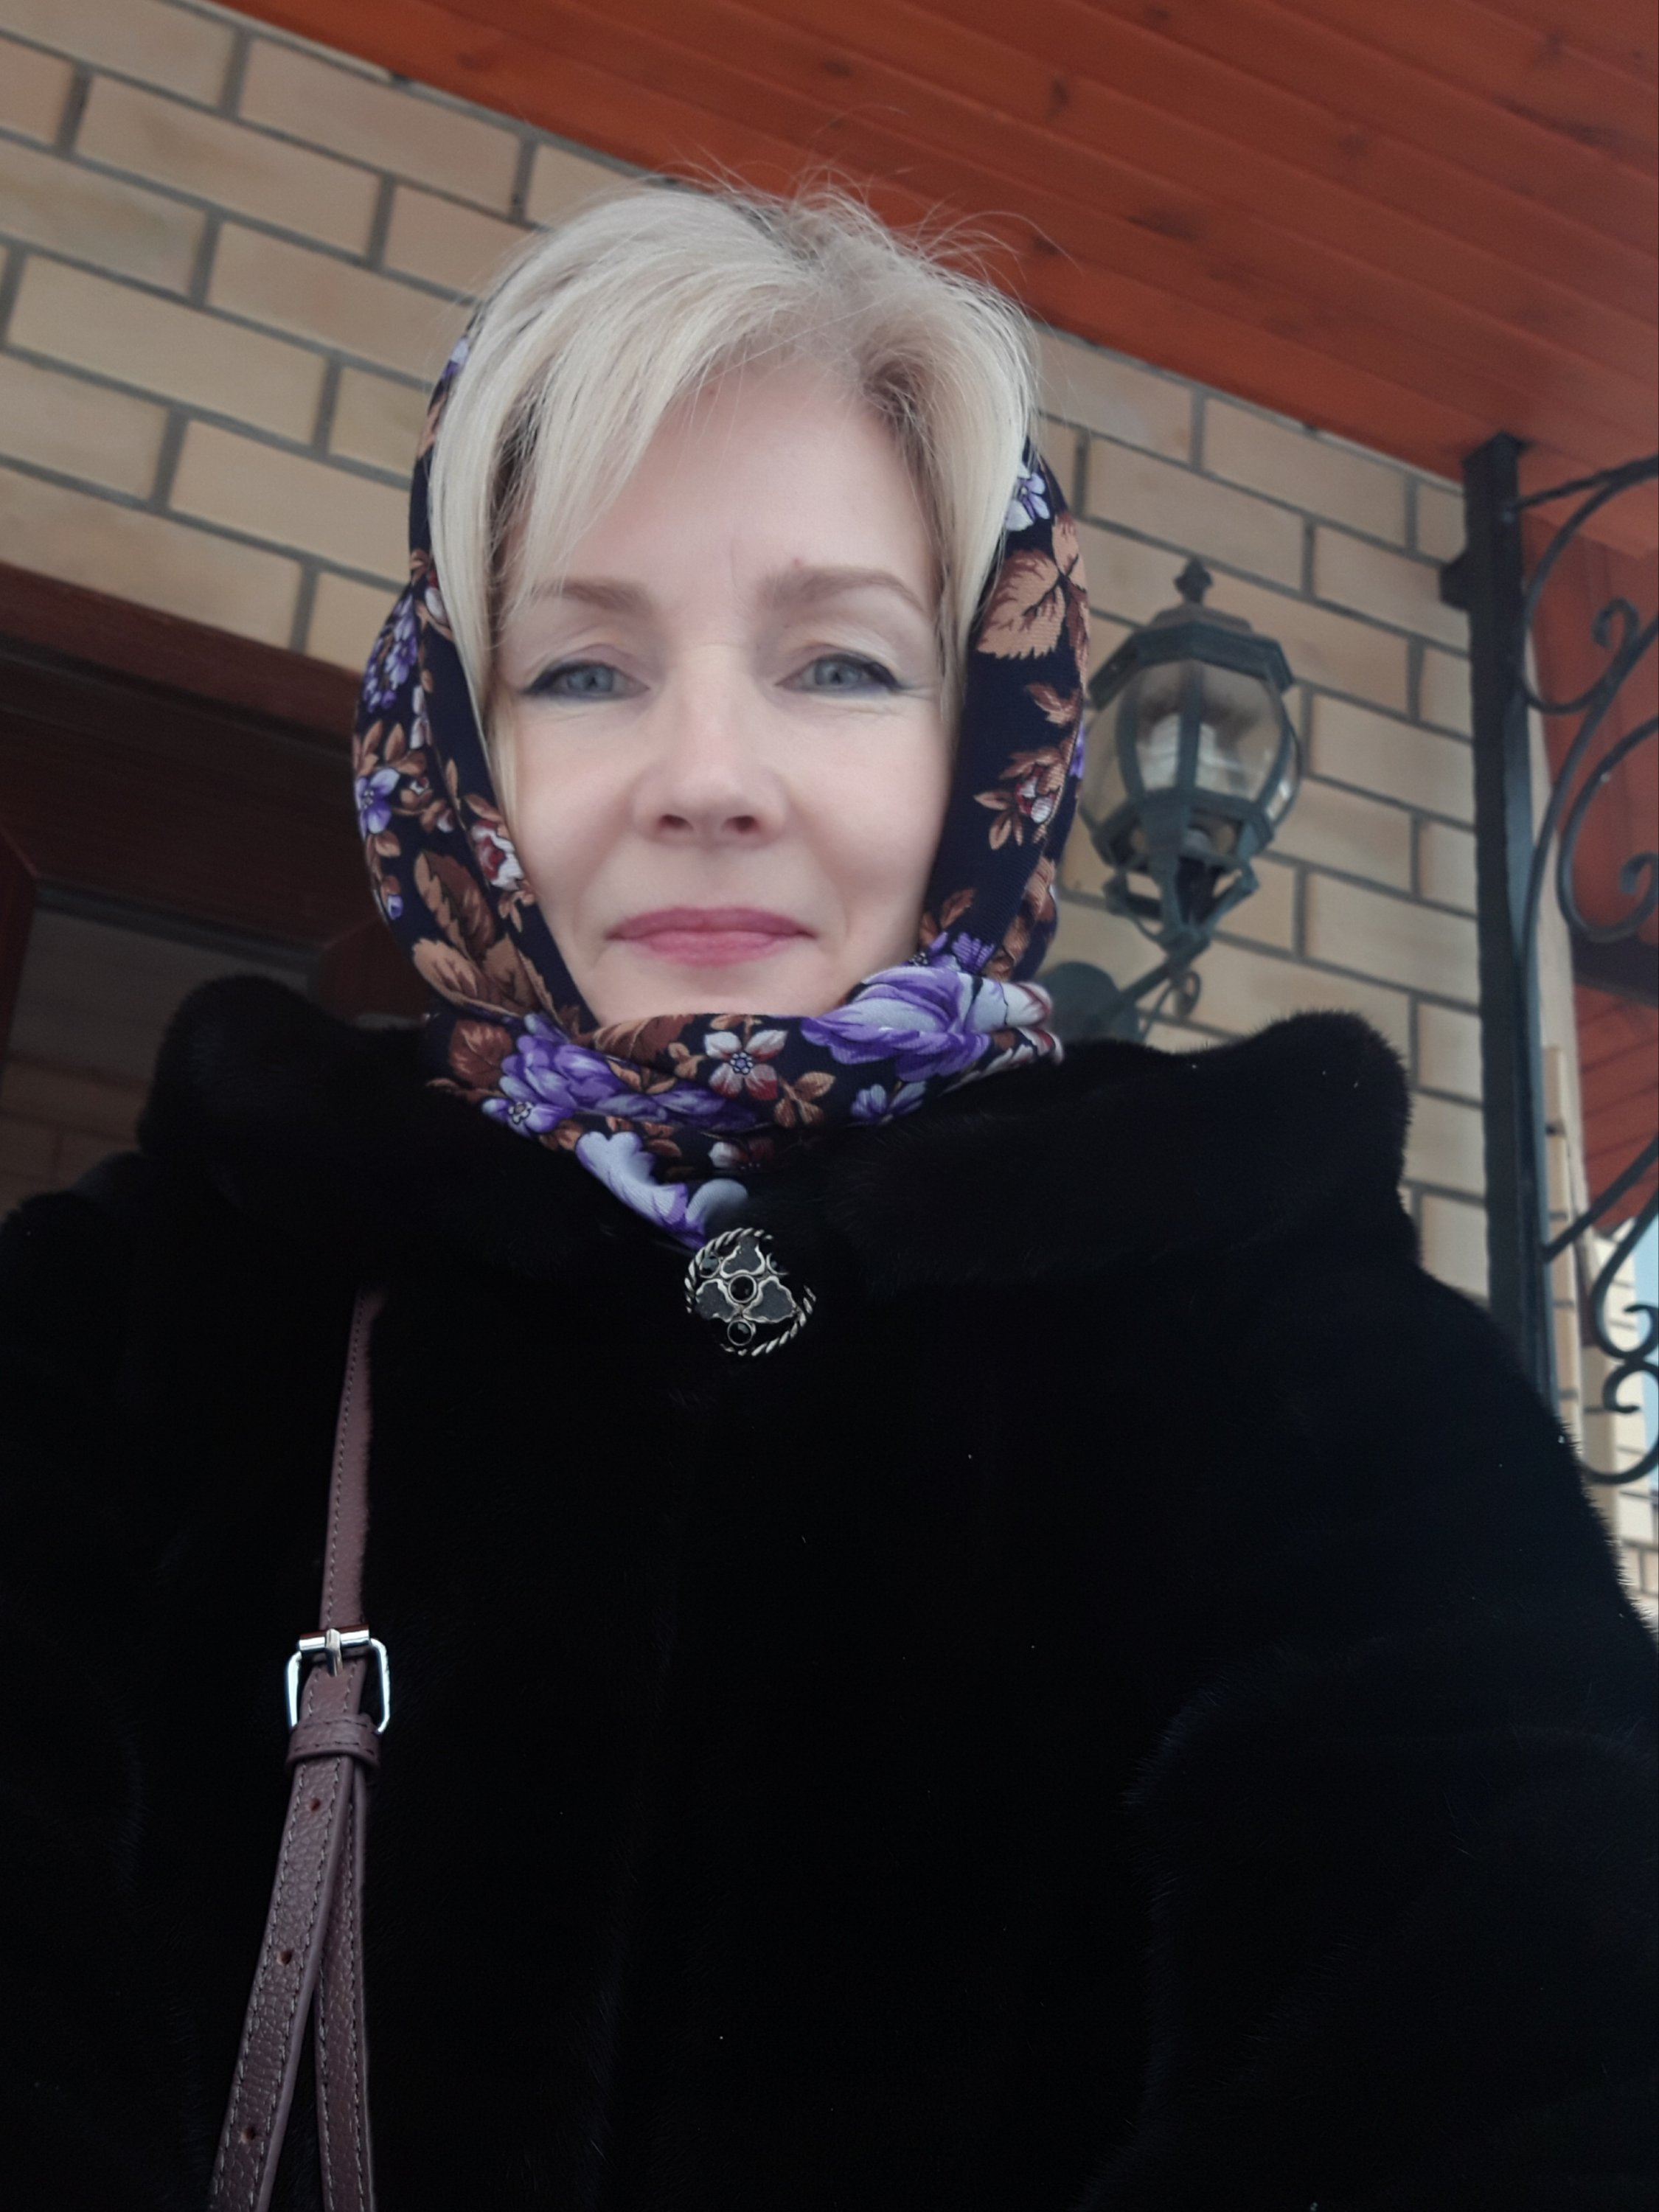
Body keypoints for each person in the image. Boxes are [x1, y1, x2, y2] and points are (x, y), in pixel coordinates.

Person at [0, 184, 1652, 2212]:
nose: (708, 772)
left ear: (989, 739)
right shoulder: (150, 1301)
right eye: (584, 671)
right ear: (457, 749)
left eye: (841, 665)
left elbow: (1518, 2010)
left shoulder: (1271, 1327)